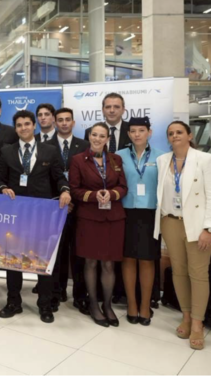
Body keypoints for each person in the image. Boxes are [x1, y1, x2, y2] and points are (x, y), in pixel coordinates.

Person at [0, 110, 71, 324]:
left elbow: (59, 177)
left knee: (42, 259)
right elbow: (0, 178)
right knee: (13, 259)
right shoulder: (7, 151)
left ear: (34, 126)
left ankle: (45, 305)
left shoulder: (50, 150)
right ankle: (13, 302)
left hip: (41, 214)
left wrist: (65, 190)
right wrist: (3, 188)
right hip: (15, 213)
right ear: (16, 128)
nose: (23, 128)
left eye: (27, 124)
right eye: (19, 125)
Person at [155, 121, 211, 350]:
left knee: (198, 274)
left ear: (189, 135)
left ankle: (197, 323)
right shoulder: (163, 160)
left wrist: (209, 228)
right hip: (170, 222)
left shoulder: (206, 159)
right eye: (171, 133)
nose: (175, 136)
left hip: (198, 226)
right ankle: (186, 316)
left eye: (179, 132)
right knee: (179, 271)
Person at [69, 122, 127, 328]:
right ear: (89, 136)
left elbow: (123, 186)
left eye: (102, 136)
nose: (97, 139)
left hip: (113, 218)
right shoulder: (78, 160)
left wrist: (111, 194)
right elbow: (74, 189)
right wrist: (94, 195)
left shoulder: (116, 159)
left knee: (109, 264)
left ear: (107, 139)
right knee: (91, 263)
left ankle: (107, 305)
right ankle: (93, 304)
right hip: (89, 218)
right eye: (94, 135)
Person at [116, 117, 164, 327]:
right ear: (128, 134)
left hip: (150, 213)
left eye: (141, 130)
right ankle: (132, 304)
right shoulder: (119, 156)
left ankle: (145, 305)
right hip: (125, 212)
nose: (137, 134)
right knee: (128, 258)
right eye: (133, 131)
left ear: (149, 133)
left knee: (147, 259)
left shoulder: (161, 157)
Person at [50, 108, 89, 312]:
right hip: (56, 206)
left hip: (80, 206)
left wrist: (73, 198)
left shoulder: (84, 145)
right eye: (60, 120)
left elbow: (88, 176)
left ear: (73, 123)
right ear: (55, 123)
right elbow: (45, 177)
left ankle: (80, 295)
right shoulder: (45, 146)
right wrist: (61, 197)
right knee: (58, 252)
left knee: (79, 251)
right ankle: (57, 292)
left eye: (67, 120)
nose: (64, 123)